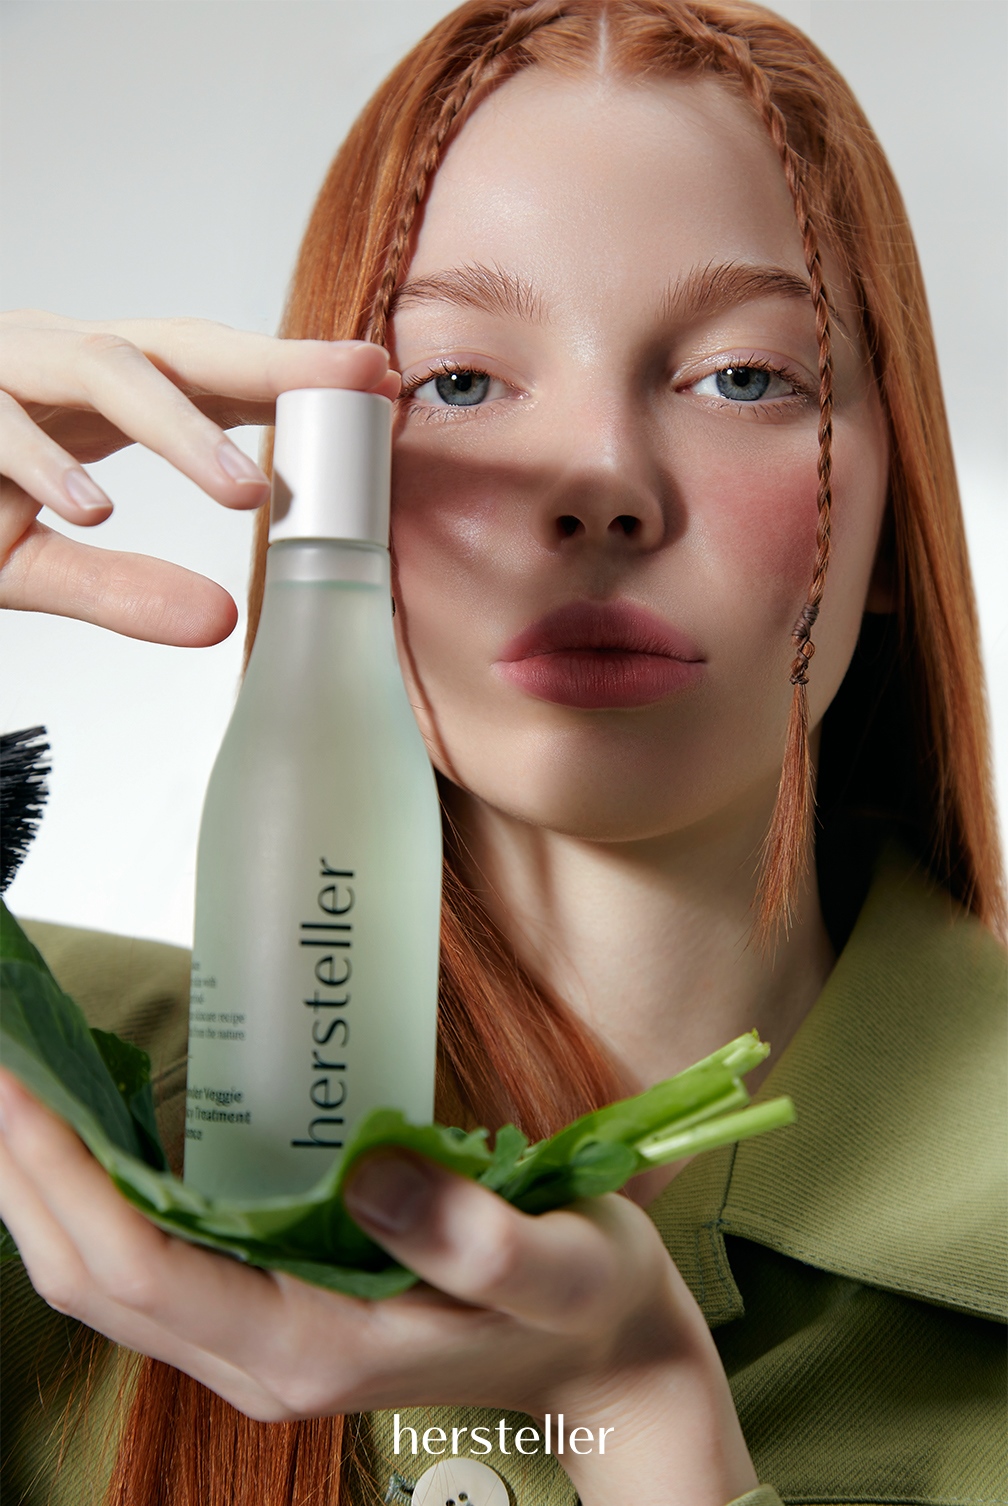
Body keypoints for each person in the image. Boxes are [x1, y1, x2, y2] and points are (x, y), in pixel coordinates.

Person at [0, 2, 1004, 1504]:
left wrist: (642, 1412)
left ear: (887, 512)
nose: (595, 484)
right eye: (458, 382)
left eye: (744, 376)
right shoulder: (38, 1088)